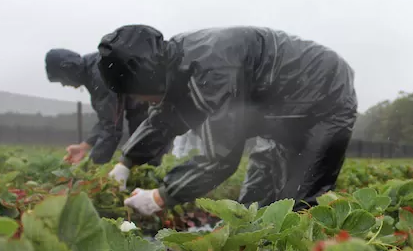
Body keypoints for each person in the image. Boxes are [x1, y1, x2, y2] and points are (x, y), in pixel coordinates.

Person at [96, 24, 358, 216]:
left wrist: (159, 197)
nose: (141, 101)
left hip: (326, 100)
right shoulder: (174, 61)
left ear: (145, 79)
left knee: (299, 203)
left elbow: (220, 158)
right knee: (251, 206)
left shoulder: (213, 70)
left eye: (136, 94)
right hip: (279, 113)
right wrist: (126, 163)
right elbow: (165, 118)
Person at [44, 49, 164, 165]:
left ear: (68, 69)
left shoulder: (100, 75)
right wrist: (85, 146)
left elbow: (112, 128)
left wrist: (91, 165)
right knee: (140, 151)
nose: (64, 85)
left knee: (143, 149)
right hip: (144, 109)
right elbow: (107, 119)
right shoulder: (92, 70)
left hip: (158, 102)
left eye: (61, 79)